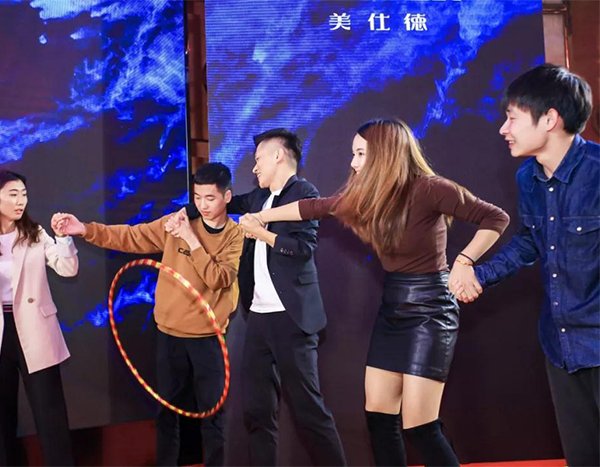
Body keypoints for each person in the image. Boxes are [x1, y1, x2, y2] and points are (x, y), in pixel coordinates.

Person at [240, 119, 510, 466]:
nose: (352, 162)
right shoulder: (369, 196)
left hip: (430, 311)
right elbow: (314, 208)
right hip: (392, 307)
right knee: (380, 419)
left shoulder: (431, 188)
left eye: (360, 153)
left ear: (385, 153)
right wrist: (262, 217)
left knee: (420, 427)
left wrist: (464, 261)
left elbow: (496, 218)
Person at [171, 129, 347, 466]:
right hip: (258, 318)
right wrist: (184, 211)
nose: (254, 168)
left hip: (291, 318)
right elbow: (221, 202)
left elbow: (303, 249)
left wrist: (261, 234)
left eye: (258, 160)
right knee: (257, 409)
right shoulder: (257, 197)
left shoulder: (305, 193)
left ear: (278, 156)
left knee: (308, 410)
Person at [55, 162, 243, 466]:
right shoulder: (175, 223)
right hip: (169, 334)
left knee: (213, 415)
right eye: (197, 197)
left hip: (209, 338)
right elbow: (132, 236)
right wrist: (85, 230)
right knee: (166, 414)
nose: (203, 205)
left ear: (227, 197)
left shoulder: (234, 236)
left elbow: (219, 278)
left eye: (210, 198)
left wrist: (191, 239)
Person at [460, 64, 598, 466]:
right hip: (561, 344)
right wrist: (478, 275)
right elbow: (529, 242)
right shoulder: (527, 177)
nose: (504, 129)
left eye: (512, 118)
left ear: (550, 119)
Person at [0, 170, 78, 466]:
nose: (21, 201)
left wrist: (63, 239)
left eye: (24, 194)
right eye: (13, 194)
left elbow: (68, 269)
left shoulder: (35, 234)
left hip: (36, 330)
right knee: (0, 423)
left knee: (51, 418)